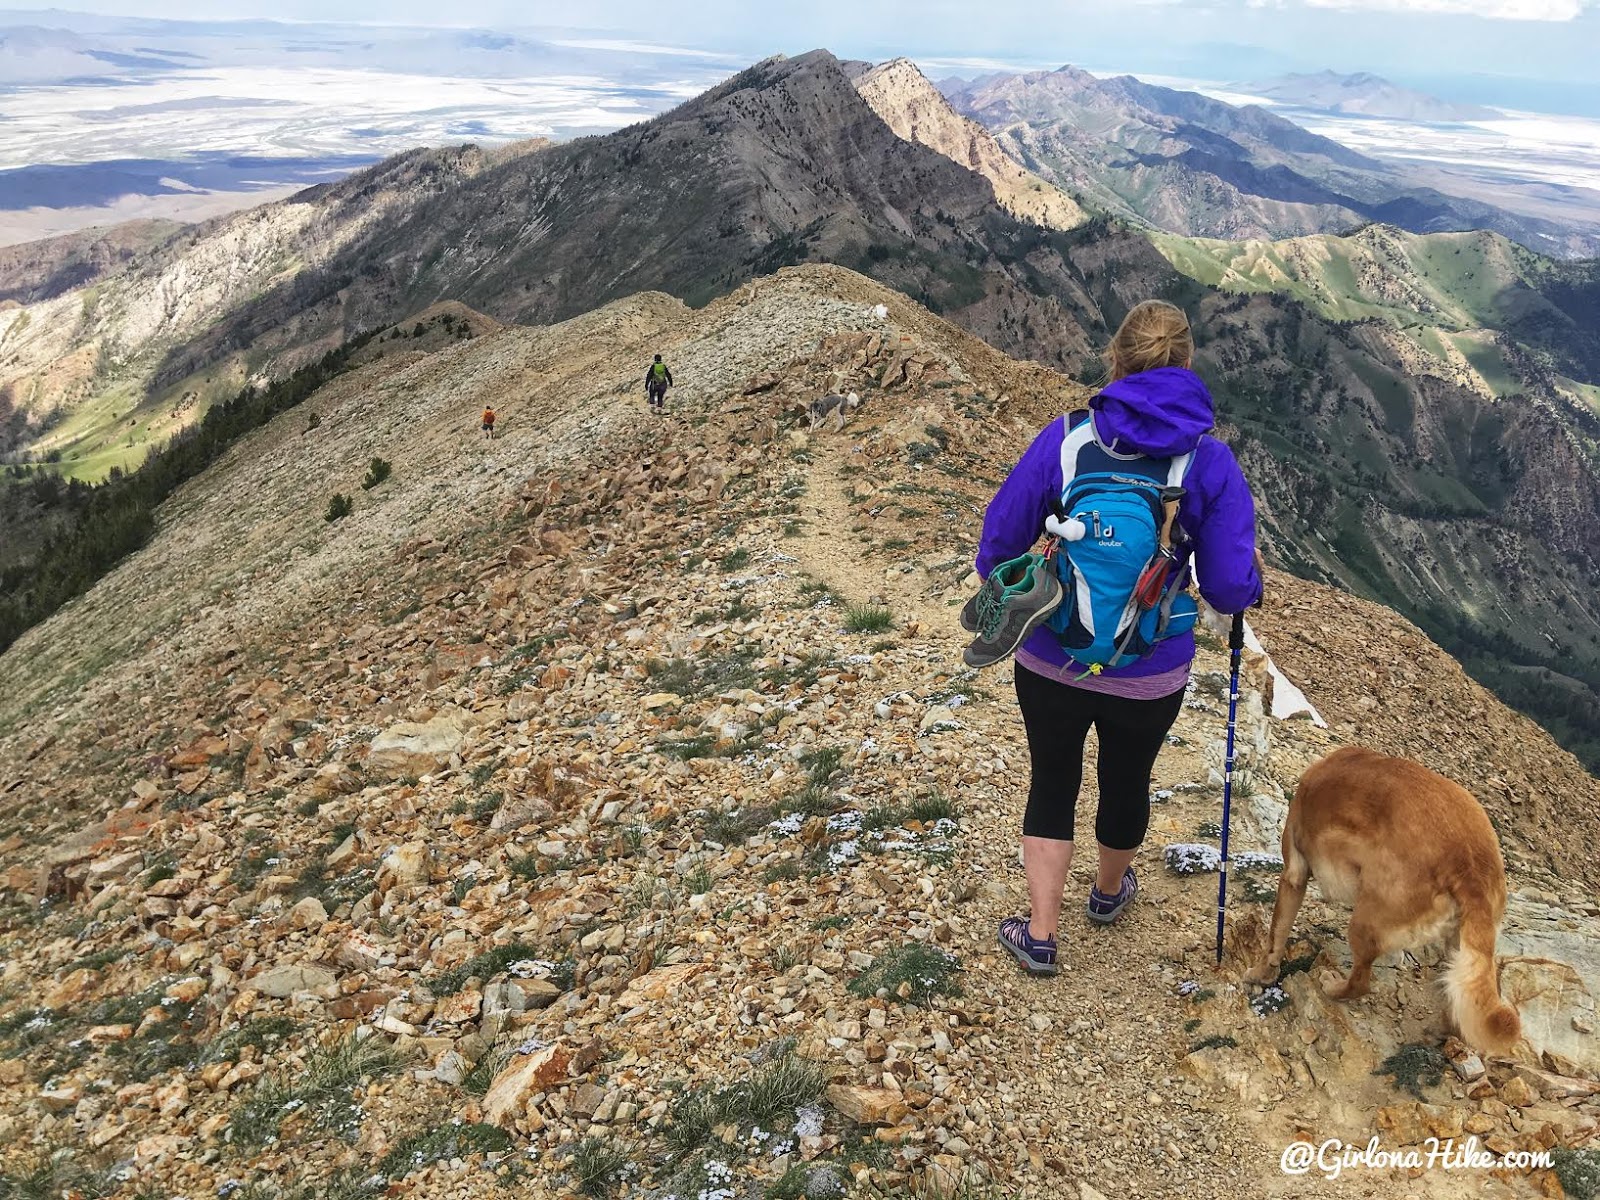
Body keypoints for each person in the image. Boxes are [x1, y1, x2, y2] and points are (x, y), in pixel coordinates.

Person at [975, 300, 1263, 976]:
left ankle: (1041, 934)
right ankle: (1107, 894)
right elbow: (1225, 588)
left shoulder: (1067, 439)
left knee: (1053, 779)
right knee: (1127, 778)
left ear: (1116, 358)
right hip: (1152, 661)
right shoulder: (1209, 461)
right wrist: (1247, 589)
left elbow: (996, 546)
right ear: (1187, 361)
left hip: (1053, 654)